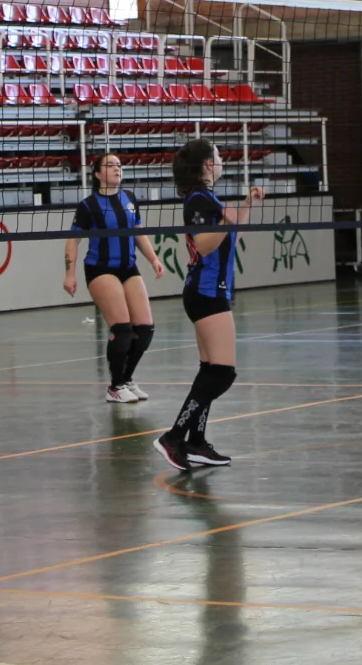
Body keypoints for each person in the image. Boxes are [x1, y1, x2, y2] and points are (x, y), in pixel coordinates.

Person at [155, 139, 263, 471]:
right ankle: (173, 437)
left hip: (208, 290)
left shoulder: (206, 198)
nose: (221, 160)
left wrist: (245, 206)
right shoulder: (200, 199)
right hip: (206, 291)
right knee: (222, 373)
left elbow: (230, 235)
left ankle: (196, 442)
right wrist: (226, 221)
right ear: (206, 164)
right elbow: (204, 244)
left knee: (209, 370)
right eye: (217, 156)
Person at [64, 152, 165, 403]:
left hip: (128, 267)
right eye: (110, 165)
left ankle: (126, 379)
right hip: (101, 268)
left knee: (145, 328)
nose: (117, 168)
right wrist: (70, 274)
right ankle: (115, 387)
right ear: (98, 174)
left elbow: (138, 232)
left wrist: (153, 259)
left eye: (119, 165)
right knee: (122, 329)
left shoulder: (129, 198)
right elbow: (73, 240)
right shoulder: (88, 205)